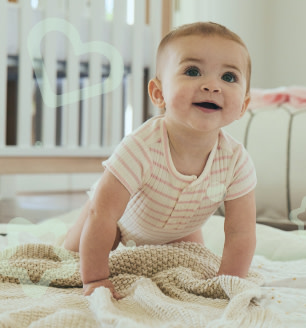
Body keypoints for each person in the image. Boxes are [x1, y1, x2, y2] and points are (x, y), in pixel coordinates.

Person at [64, 21, 257, 300]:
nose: (212, 86)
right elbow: (102, 215)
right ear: (158, 93)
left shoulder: (236, 161)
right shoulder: (141, 147)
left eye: (229, 77)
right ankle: (76, 244)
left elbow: (240, 232)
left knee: (192, 262)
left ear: (244, 105)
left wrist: (227, 284)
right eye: (193, 71)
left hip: (182, 229)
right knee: (70, 258)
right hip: (118, 220)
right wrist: (95, 280)